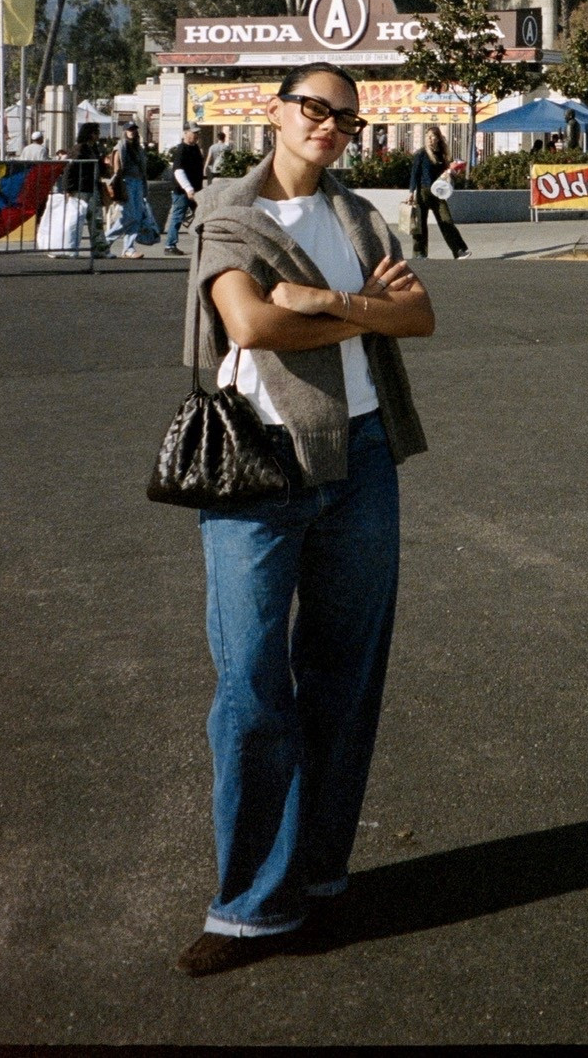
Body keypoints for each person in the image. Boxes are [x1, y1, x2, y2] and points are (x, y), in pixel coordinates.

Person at [175, 60, 434, 978]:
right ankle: (248, 907)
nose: (329, 126)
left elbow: (421, 316)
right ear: (275, 114)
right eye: (313, 109)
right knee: (251, 688)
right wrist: (368, 314)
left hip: (360, 462)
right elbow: (247, 325)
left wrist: (325, 302)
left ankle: (318, 874)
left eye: (347, 119)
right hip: (258, 467)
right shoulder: (228, 214)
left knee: (344, 681)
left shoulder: (358, 217)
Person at [407, 125, 469, 260]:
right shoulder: (421, 154)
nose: (430, 139)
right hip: (423, 192)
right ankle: (419, 254)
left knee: (446, 220)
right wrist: (411, 192)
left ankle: (459, 250)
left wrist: (452, 171)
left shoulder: (441, 154)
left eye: (432, 136)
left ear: (438, 138)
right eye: (427, 137)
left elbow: (444, 173)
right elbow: (414, 174)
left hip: (438, 192)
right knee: (420, 224)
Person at [109, 121, 150, 259]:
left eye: (134, 129)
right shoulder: (121, 146)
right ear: (124, 131)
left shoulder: (138, 147)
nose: (132, 131)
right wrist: (119, 185)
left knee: (136, 216)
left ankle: (129, 248)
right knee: (129, 216)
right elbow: (116, 167)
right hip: (126, 182)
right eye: (129, 129)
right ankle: (106, 240)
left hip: (138, 181)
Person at [71, 123, 111, 257]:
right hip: (80, 188)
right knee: (77, 220)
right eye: (96, 132)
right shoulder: (80, 148)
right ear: (89, 133)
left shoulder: (94, 148)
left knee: (96, 220)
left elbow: (100, 167)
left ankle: (100, 249)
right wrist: (69, 188)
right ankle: (71, 248)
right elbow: (70, 167)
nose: (98, 135)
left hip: (93, 187)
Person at [164, 125, 205, 255]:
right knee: (177, 217)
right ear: (185, 133)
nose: (196, 135)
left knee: (201, 216)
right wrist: (188, 188)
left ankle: (204, 243)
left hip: (196, 189)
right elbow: (178, 171)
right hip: (183, 191)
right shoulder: (182, 149)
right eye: (193, 133)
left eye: (197, 133)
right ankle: (170, 245)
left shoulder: (195, 148)